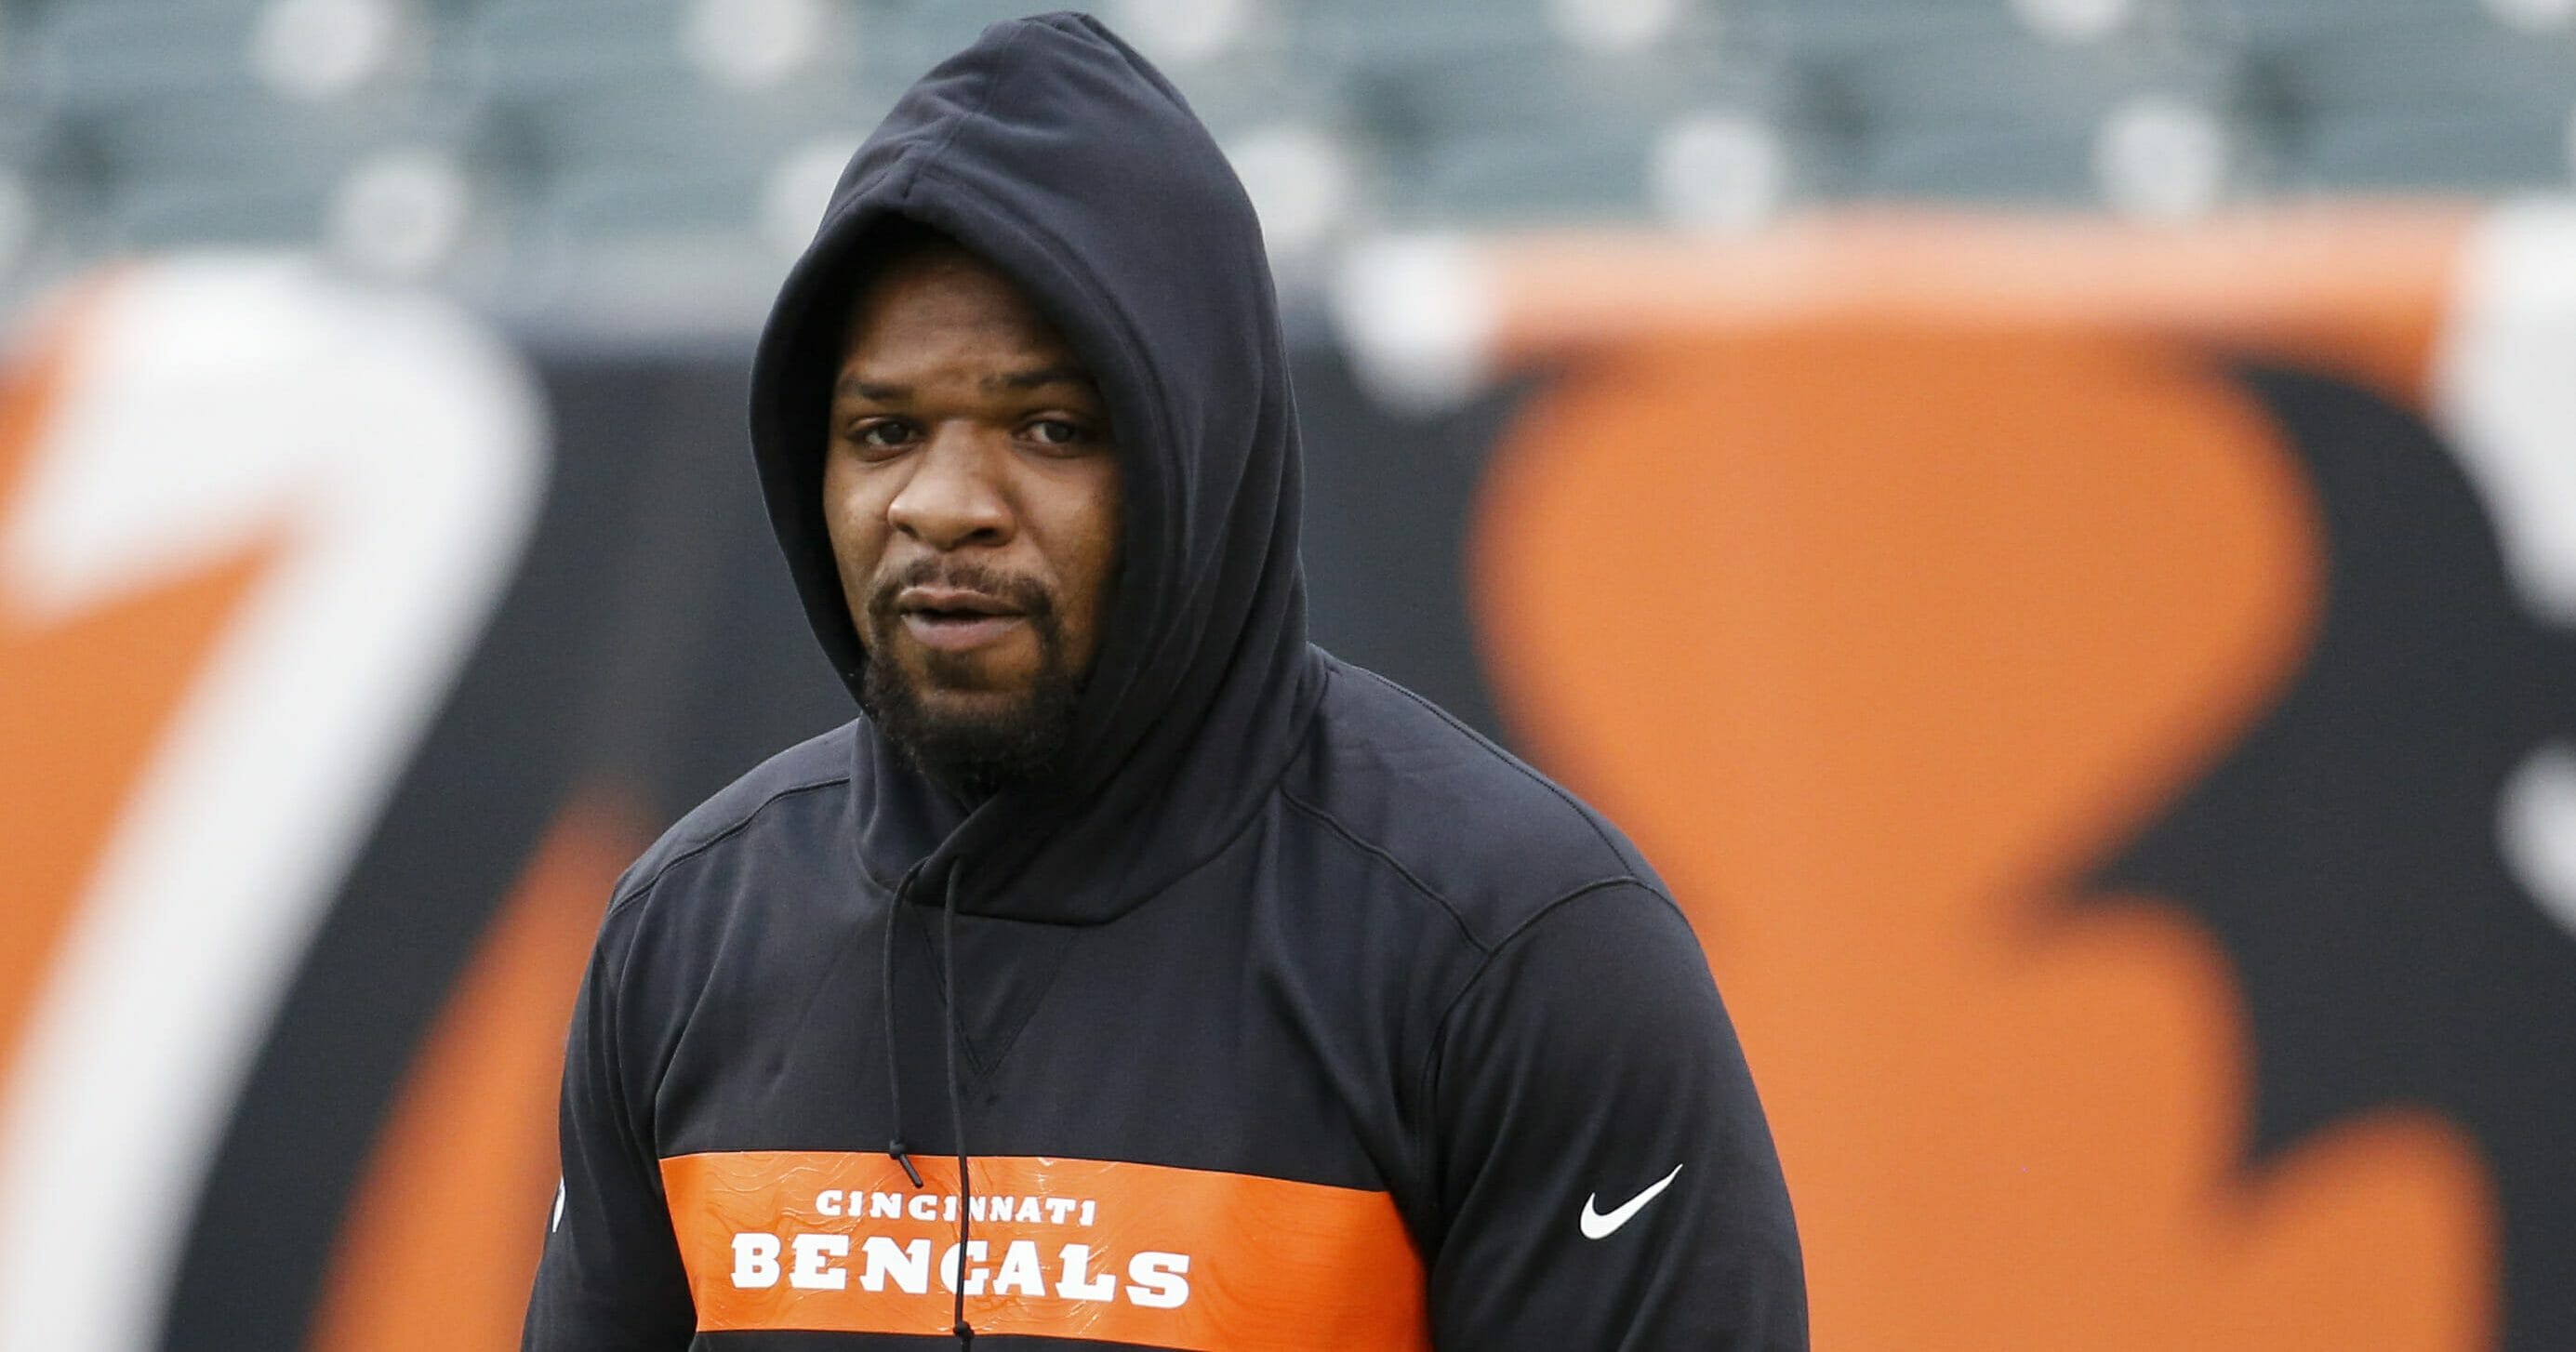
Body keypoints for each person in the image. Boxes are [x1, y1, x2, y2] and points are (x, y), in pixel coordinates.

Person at [522, 12, 1804, 1350]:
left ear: (1201, 455)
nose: (944, 505)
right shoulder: (688, 931)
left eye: (1052, 427)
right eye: (884, 431)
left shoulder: (1518, 944)